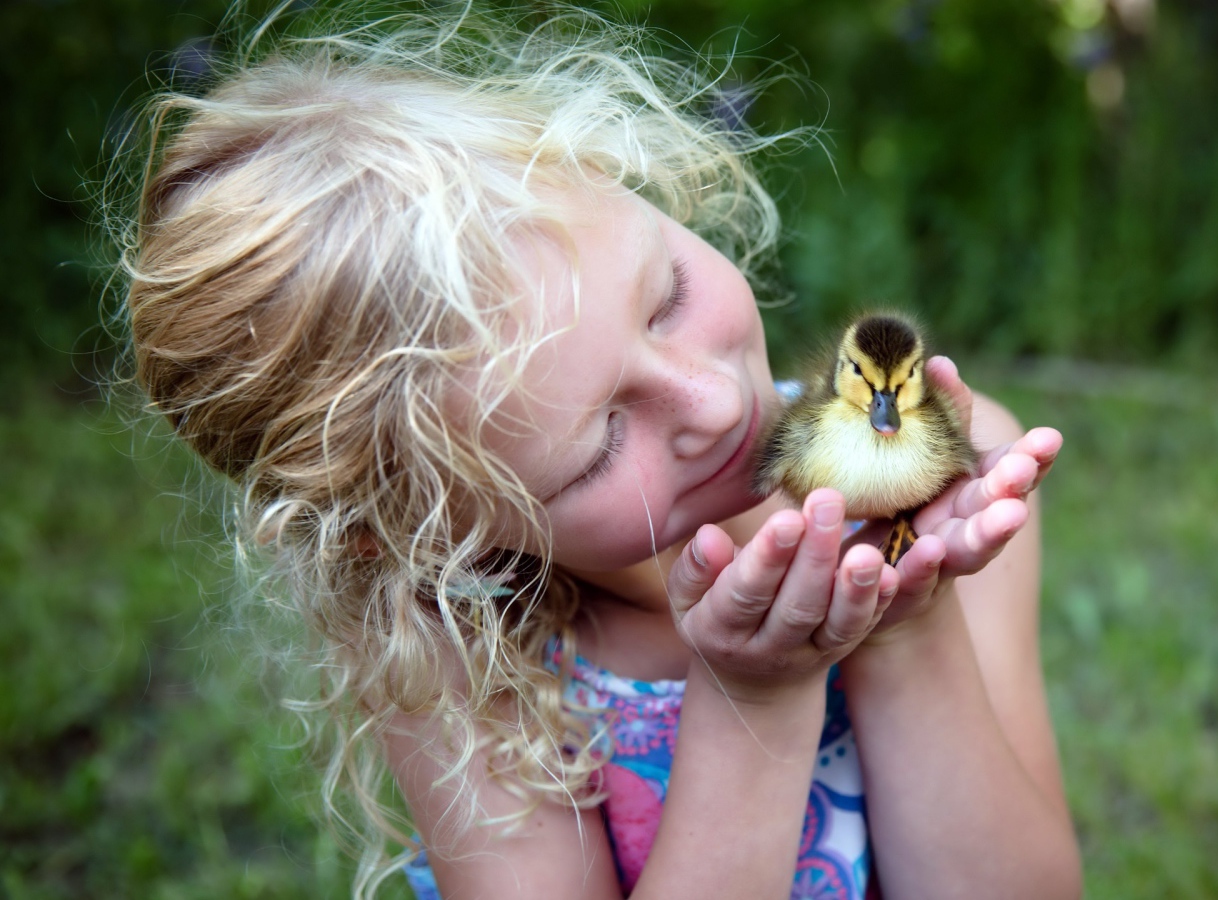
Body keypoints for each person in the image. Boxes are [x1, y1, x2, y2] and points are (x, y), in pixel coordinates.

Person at [109, 5, 1081, 897]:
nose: (706, 400)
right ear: (420, 536)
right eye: (599, 446)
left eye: (664, 298)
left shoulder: (950, 469)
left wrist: (907, 625)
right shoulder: (460, 655)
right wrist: (756, 698)